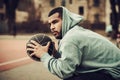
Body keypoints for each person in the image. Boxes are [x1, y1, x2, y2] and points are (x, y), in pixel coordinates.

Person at [27, 6, 120, 80]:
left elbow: (64, 72)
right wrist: (55, 54)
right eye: (50, 24)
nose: (52, 27)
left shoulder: (71, 38)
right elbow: (72, 63)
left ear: (66, 20)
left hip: (114, 75)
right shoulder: (75, 32)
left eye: (55, 22)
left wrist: (43, 55)